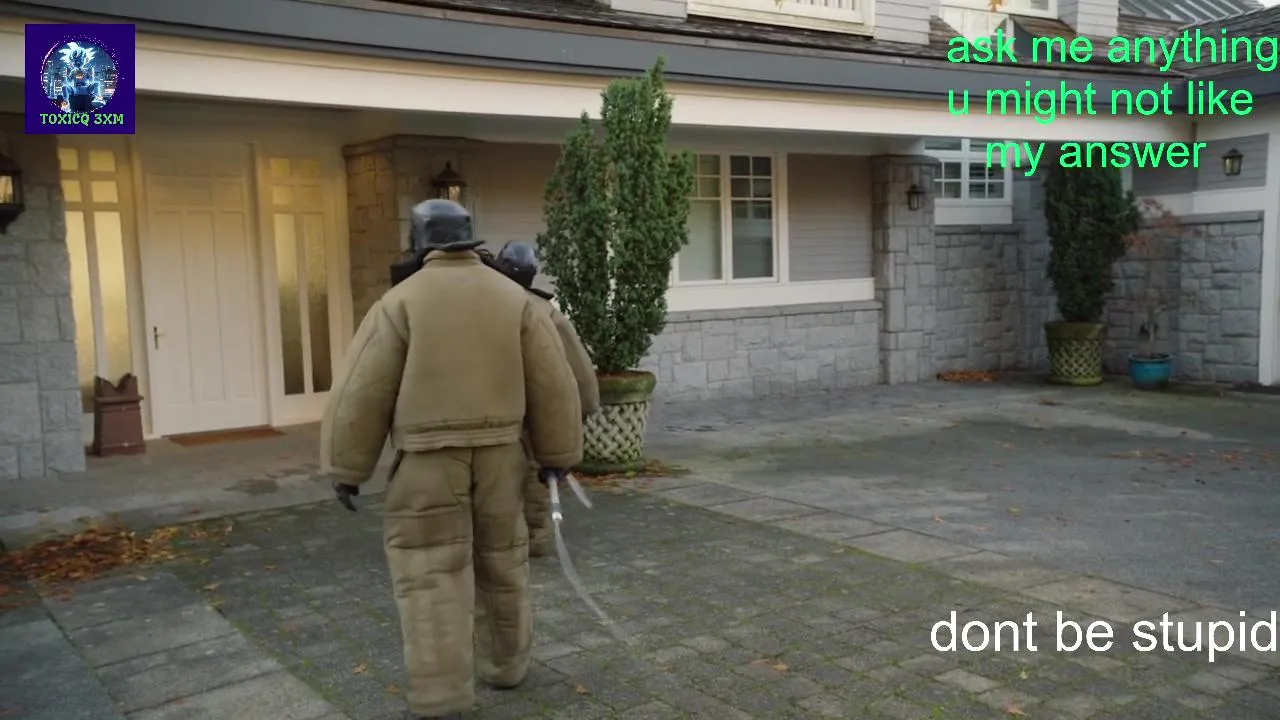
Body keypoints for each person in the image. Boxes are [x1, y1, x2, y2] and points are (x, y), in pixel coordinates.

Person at [319, 200, 583, 720]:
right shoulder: (517, 300)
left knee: (429, 571)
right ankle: (506, 666)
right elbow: (553, 383)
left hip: (426, 462)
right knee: (504, 560)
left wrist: (348, 468)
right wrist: (557, 456)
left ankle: (441, 695)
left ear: (420, 240)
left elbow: (361, 391)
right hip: (503, 456)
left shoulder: (399, 303)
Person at [494, 240, 601, 557]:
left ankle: (504, 537)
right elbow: (579, 369)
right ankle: (534, 536)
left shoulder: (482, 307)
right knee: (533, 472)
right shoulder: (546, 312)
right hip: (534, 413)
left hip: (496, 412)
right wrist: (586, 406)